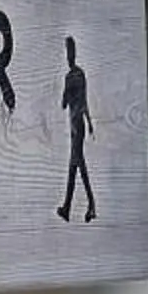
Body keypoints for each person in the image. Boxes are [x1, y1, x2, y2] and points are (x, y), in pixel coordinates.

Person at [57, 34, 95, 223]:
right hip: (78, 123)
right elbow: (81, 101)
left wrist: (84, 122)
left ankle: (91, 205)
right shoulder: (78, 74)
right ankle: (68, 207)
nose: (69, 56)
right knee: (74, 166)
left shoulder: (72, 76)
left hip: (75, 125)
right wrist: (89, 122)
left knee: (79, 164)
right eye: (68, 53)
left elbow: (66, 103)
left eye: (70, 53)